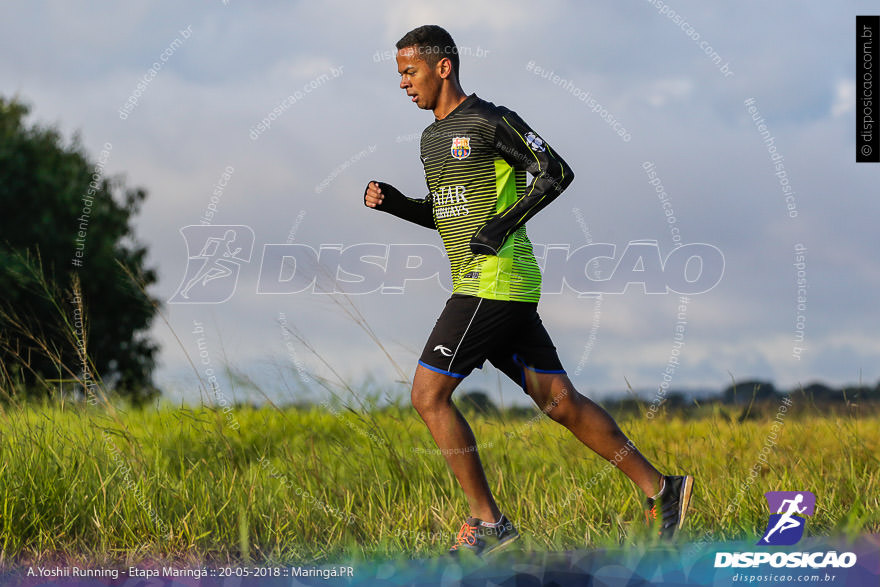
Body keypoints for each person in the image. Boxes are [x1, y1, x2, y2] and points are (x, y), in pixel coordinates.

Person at [364, 24, 693, 557]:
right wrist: (399, 203)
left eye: (410, 71)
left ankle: (489, 524)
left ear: (442, 66)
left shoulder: (494, 119)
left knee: (427, 395)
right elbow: (447, 213)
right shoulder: (430, 139)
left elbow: (555, 172)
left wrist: (503, 224)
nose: (403, 83)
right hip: (490, 287)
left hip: (492, 284)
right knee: (559, 402)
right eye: (399, 74)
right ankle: (662, 489)